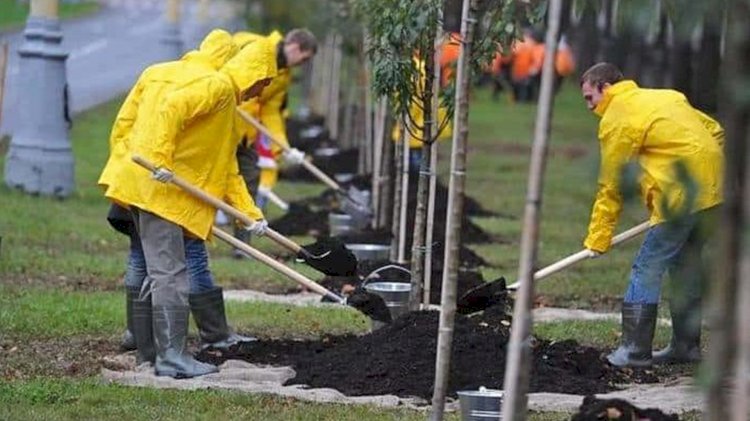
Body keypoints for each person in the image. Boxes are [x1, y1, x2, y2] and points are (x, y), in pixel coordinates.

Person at [98, 31, 277, 378]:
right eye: (263, 82)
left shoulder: (209, 93)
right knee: (170, 275)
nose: (262, 92)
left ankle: (149, 353)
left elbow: (225, 167)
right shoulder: (218, 87)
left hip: (142, 182)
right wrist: (159, 160)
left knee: (155, 270)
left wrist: (250, 216)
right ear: (251, 73)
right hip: (160, 191)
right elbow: (172, 109)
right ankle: (172, 358)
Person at [579, 63, 724, 367]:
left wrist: (598, 237)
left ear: (605, 87)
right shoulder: (667, 97)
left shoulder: (617, 117)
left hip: (681, 197)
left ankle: (634, 351)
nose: (590, 107)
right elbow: (714, 130)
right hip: (714, 190)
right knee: (686, 266)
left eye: (590, 98)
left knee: (647, 267)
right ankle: (686, 348)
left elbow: (612, 183)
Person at [226, 29, 317, 257]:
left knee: (249, 181)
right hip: (223, 128)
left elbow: (271, 112)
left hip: (246, 136)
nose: (302, 63)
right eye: (304, 58)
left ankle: (242, 246)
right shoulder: (253, 46)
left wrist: (283, 147)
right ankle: (192, 238)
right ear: (295, 46)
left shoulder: (283, 75)